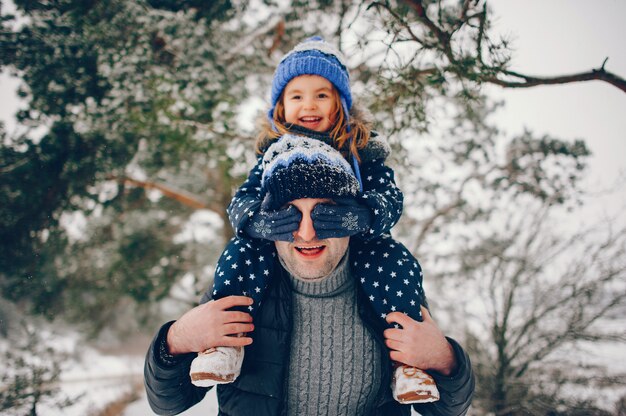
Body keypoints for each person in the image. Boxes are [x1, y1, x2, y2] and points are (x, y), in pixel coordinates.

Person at [143, 135, 475, 415]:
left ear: (352, 218)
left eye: (326, 212)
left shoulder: (384, 285)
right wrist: (176, 340)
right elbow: (167, 402)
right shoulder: (246, 282)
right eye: (289, 215)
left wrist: (446, 360)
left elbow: (445, 408)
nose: (306, 232)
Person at [188, 36, 441, 403]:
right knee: (240, 253)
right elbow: (241, 201)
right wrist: (257, 223)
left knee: (396, 263)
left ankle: (409, 363)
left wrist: (365, 215)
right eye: (297, 96)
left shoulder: (362, 150)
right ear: (280, 106)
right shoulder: (271, 154)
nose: (309, 105)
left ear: (340, 102)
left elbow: (391, 198)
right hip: (284, 243)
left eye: (321, 95)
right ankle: (226, 344)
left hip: (357, 245)